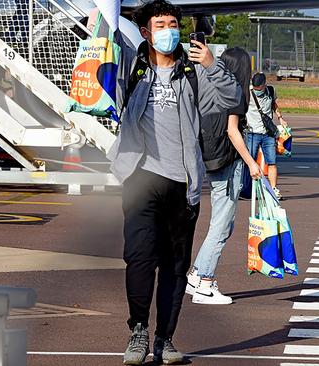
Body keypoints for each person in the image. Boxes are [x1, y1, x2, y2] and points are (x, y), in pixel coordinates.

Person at [101, 1, 242, 364]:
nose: (169, 31)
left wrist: (212, 65)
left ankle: (165, 339)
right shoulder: (132, 67)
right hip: (140, 177)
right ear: (145, 32)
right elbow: (98, 78)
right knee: (139, 259)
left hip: (182, 183)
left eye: (173, 24)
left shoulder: (194, 72)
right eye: (160, 24)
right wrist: (99, 28)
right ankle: (138, 331)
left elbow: (233, 99)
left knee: (175, 267)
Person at [186, 47, 263, 305]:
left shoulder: (207, 86)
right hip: (228, 161)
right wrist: (251, 162)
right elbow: (233, 130)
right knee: (221, 225)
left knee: (222, 224)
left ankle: (197, 273)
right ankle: (205, 283)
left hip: (209, 158)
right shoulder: (233, 91)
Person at [245, 73, 288, 199]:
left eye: (260, 88)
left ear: (265, 85)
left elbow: (274, 104)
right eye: (255, 88)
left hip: (268, 133)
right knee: (250, 161)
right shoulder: (247, 92)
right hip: (252, 132)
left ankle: (274, 188)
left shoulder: (271, 90)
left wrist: (280, 118)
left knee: (272, 162)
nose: (257, 91)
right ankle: (247, 188)